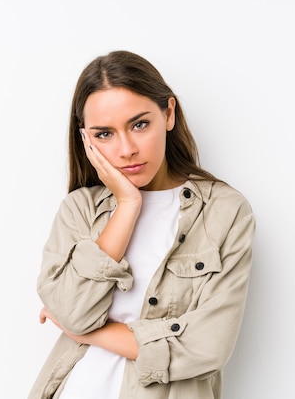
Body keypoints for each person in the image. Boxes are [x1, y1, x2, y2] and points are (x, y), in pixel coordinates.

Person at [29, 50, 255, 399]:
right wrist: (128, 204)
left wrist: (88, 332)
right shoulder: (80, 209)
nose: (126, 149)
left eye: (139, 124)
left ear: (168, 113)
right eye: (104, 134)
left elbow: (206, 348)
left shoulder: (224, 212)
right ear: (86, 139)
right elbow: (73, 309)